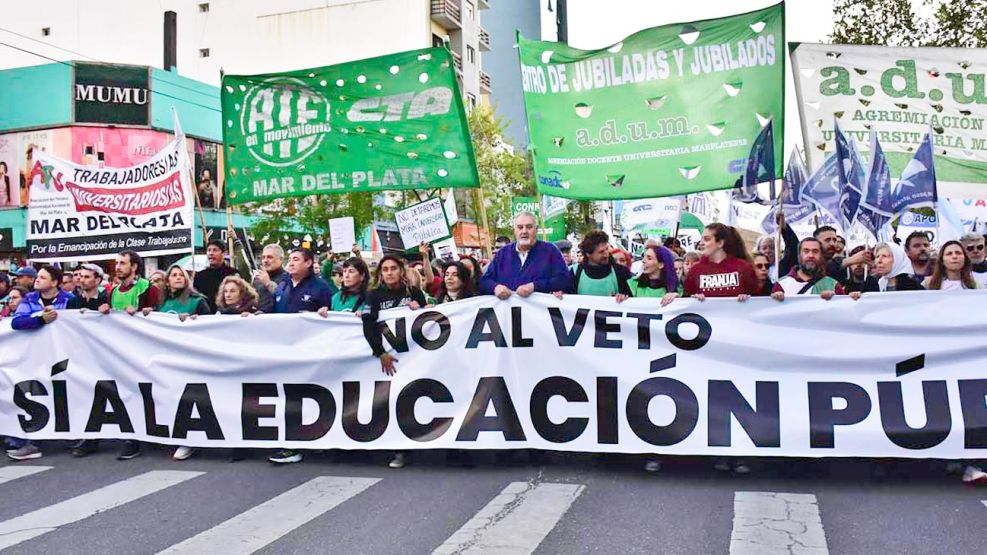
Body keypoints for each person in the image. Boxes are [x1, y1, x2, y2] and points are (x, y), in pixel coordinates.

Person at [267, 247, 333, 466]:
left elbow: (330, 317)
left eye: (296, 259)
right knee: (288, 398)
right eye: (290, 259)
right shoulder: (283, 286)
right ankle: (291, 443)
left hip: (311, 353)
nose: (291, 263)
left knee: (310, 397)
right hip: (285, 353)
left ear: (308, 263)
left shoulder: (320, 287)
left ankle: (318, 440)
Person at [361, 255, 427, 469]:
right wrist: (380, 353)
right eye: (385, 269)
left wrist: (421, 307)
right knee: (390, 398)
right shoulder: (373, 295)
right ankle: (398, 449)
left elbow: (431, 318)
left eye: (393, 269)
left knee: (412, 396)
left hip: (414, 355)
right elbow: (368, 323)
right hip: (389, 357)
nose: (389, 273)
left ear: (401, 271)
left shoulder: (413, 292)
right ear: (380, 274)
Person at [96, 250, 160, 461]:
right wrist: (103, 309)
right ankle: (131, 437)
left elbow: (158, 315)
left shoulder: (148, 289)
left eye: (122, 263)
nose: (118, 266)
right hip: (119, 352)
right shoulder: (113, 292)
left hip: (143, 352)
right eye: (117, 263)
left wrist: (144, 312)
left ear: (134, 267)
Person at [7, 266, 76, 460]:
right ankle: (32, 442)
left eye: (42, 277)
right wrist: (40, 319)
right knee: (35, 395)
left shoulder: (69, 300)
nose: (37, 280)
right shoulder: (29, 299)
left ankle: (74, 435)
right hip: (34, 357)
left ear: (54, 282)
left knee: (63, 394)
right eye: (37, 277)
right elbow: (17, 322)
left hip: (62, 356)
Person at [480, 212, 570, 300]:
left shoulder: (550, 251)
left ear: (536, 229)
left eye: (529, 227)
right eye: (520, 227)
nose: (524, 231)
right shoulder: (502, 254)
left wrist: (534, 286)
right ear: (514, 230)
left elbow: (564, 280)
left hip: (538, 312)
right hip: (508, 313)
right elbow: (484, 281)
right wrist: (495, 287)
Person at [683, 223, 759, 302]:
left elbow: (757, 299)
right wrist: (694, 298)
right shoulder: (695, 270)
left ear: (720, 243)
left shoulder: (744, 268)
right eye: (701, 239)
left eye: (707, 239)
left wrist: (747, 298)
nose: (701, 243)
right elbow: (685, 300)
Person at [771, 238, 861, 301]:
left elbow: (844, 313)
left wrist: (851, 299)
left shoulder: (833, 285)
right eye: (806, 251)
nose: (811, 255)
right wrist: (775, 300)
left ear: (821, 256)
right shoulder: (781, 284)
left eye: (815, 251)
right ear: (799, 255)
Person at [568, 230, 632, 300]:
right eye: (601, 252)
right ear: (588, 253)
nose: (606, 254)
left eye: (607, 249)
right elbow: (568, 299)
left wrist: (624, 297)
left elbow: (632, 300)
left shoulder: (621, 272)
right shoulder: (575, 273)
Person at [147, 265, 212, 321]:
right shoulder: (162, 302)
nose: (178, 277)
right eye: (174, 275)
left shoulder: (198, 301)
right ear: (167, 282)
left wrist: (196, 320)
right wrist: (149, 313)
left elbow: (208, 326)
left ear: (185, 280)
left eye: (181, 275)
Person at [193, 240, 239, 313]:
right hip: (204, 317)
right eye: (209, 250)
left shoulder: (232, 274)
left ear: (224, 253)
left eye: (215, 250)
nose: (211, 253)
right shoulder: (199, 276)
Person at [252, 244, 287, 313]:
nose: (265, 260)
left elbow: (285, 300)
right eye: (263, 257)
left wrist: (268, 284)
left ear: (281, 259)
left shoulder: (288, 278)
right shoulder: (257, 279)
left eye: (270, 257)